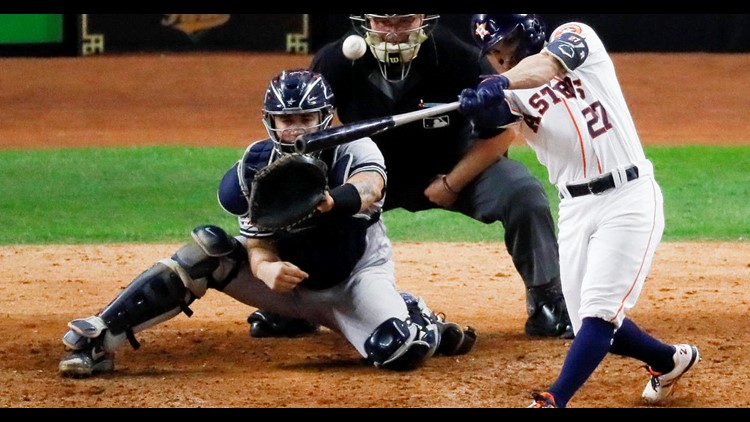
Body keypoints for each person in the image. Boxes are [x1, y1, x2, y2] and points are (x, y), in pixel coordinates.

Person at [57, 69, 476, 378]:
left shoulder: (353, 148)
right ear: (270, 121)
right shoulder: (255, 167)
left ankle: (415, 316)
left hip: (354, 283)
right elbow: (257, 243)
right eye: (286, 120)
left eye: (306, 119)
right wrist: (265, 268)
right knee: (207, 251)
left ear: (326, 117)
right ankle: (100, 337)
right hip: (285, 287)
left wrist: (329, 200)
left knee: (400, 351)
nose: (295, 130)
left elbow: (370, 187)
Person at [248, 13, 574, 340]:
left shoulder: (452, 55)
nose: (393, 34)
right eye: (383, 22)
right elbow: (312, 131)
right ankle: (295, 305)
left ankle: (547, 300)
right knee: (306, 196)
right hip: (367, 172)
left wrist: (453, 182)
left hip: (449, 166)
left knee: (522, 192)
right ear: (366, 21)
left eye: (403, 21)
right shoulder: (336, 61)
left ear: (422, 18)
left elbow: (503, 130)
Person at [458, 14, 701, 408]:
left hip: (628, 196)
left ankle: (554, 399)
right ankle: (669, 360)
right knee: (593, 324)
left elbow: (545, 67)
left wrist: (500, 83)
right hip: (573, 208)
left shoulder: (574, 38)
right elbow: (493, 119)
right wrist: (478, 105)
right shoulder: (512, 94)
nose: (502, 60)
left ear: (527, 32)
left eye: (507, 46)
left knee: (600, 314)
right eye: (494, 54)